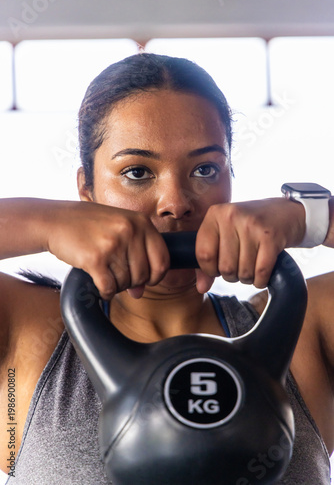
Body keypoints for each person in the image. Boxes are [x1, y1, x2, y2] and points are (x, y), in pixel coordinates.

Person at [0, 52, 333, 485]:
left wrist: (308, 218)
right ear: (87, 188)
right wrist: (44, 223)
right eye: (137, 172)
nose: (176, 202)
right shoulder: (27, 336)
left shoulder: (303, 331)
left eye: (205, 169)